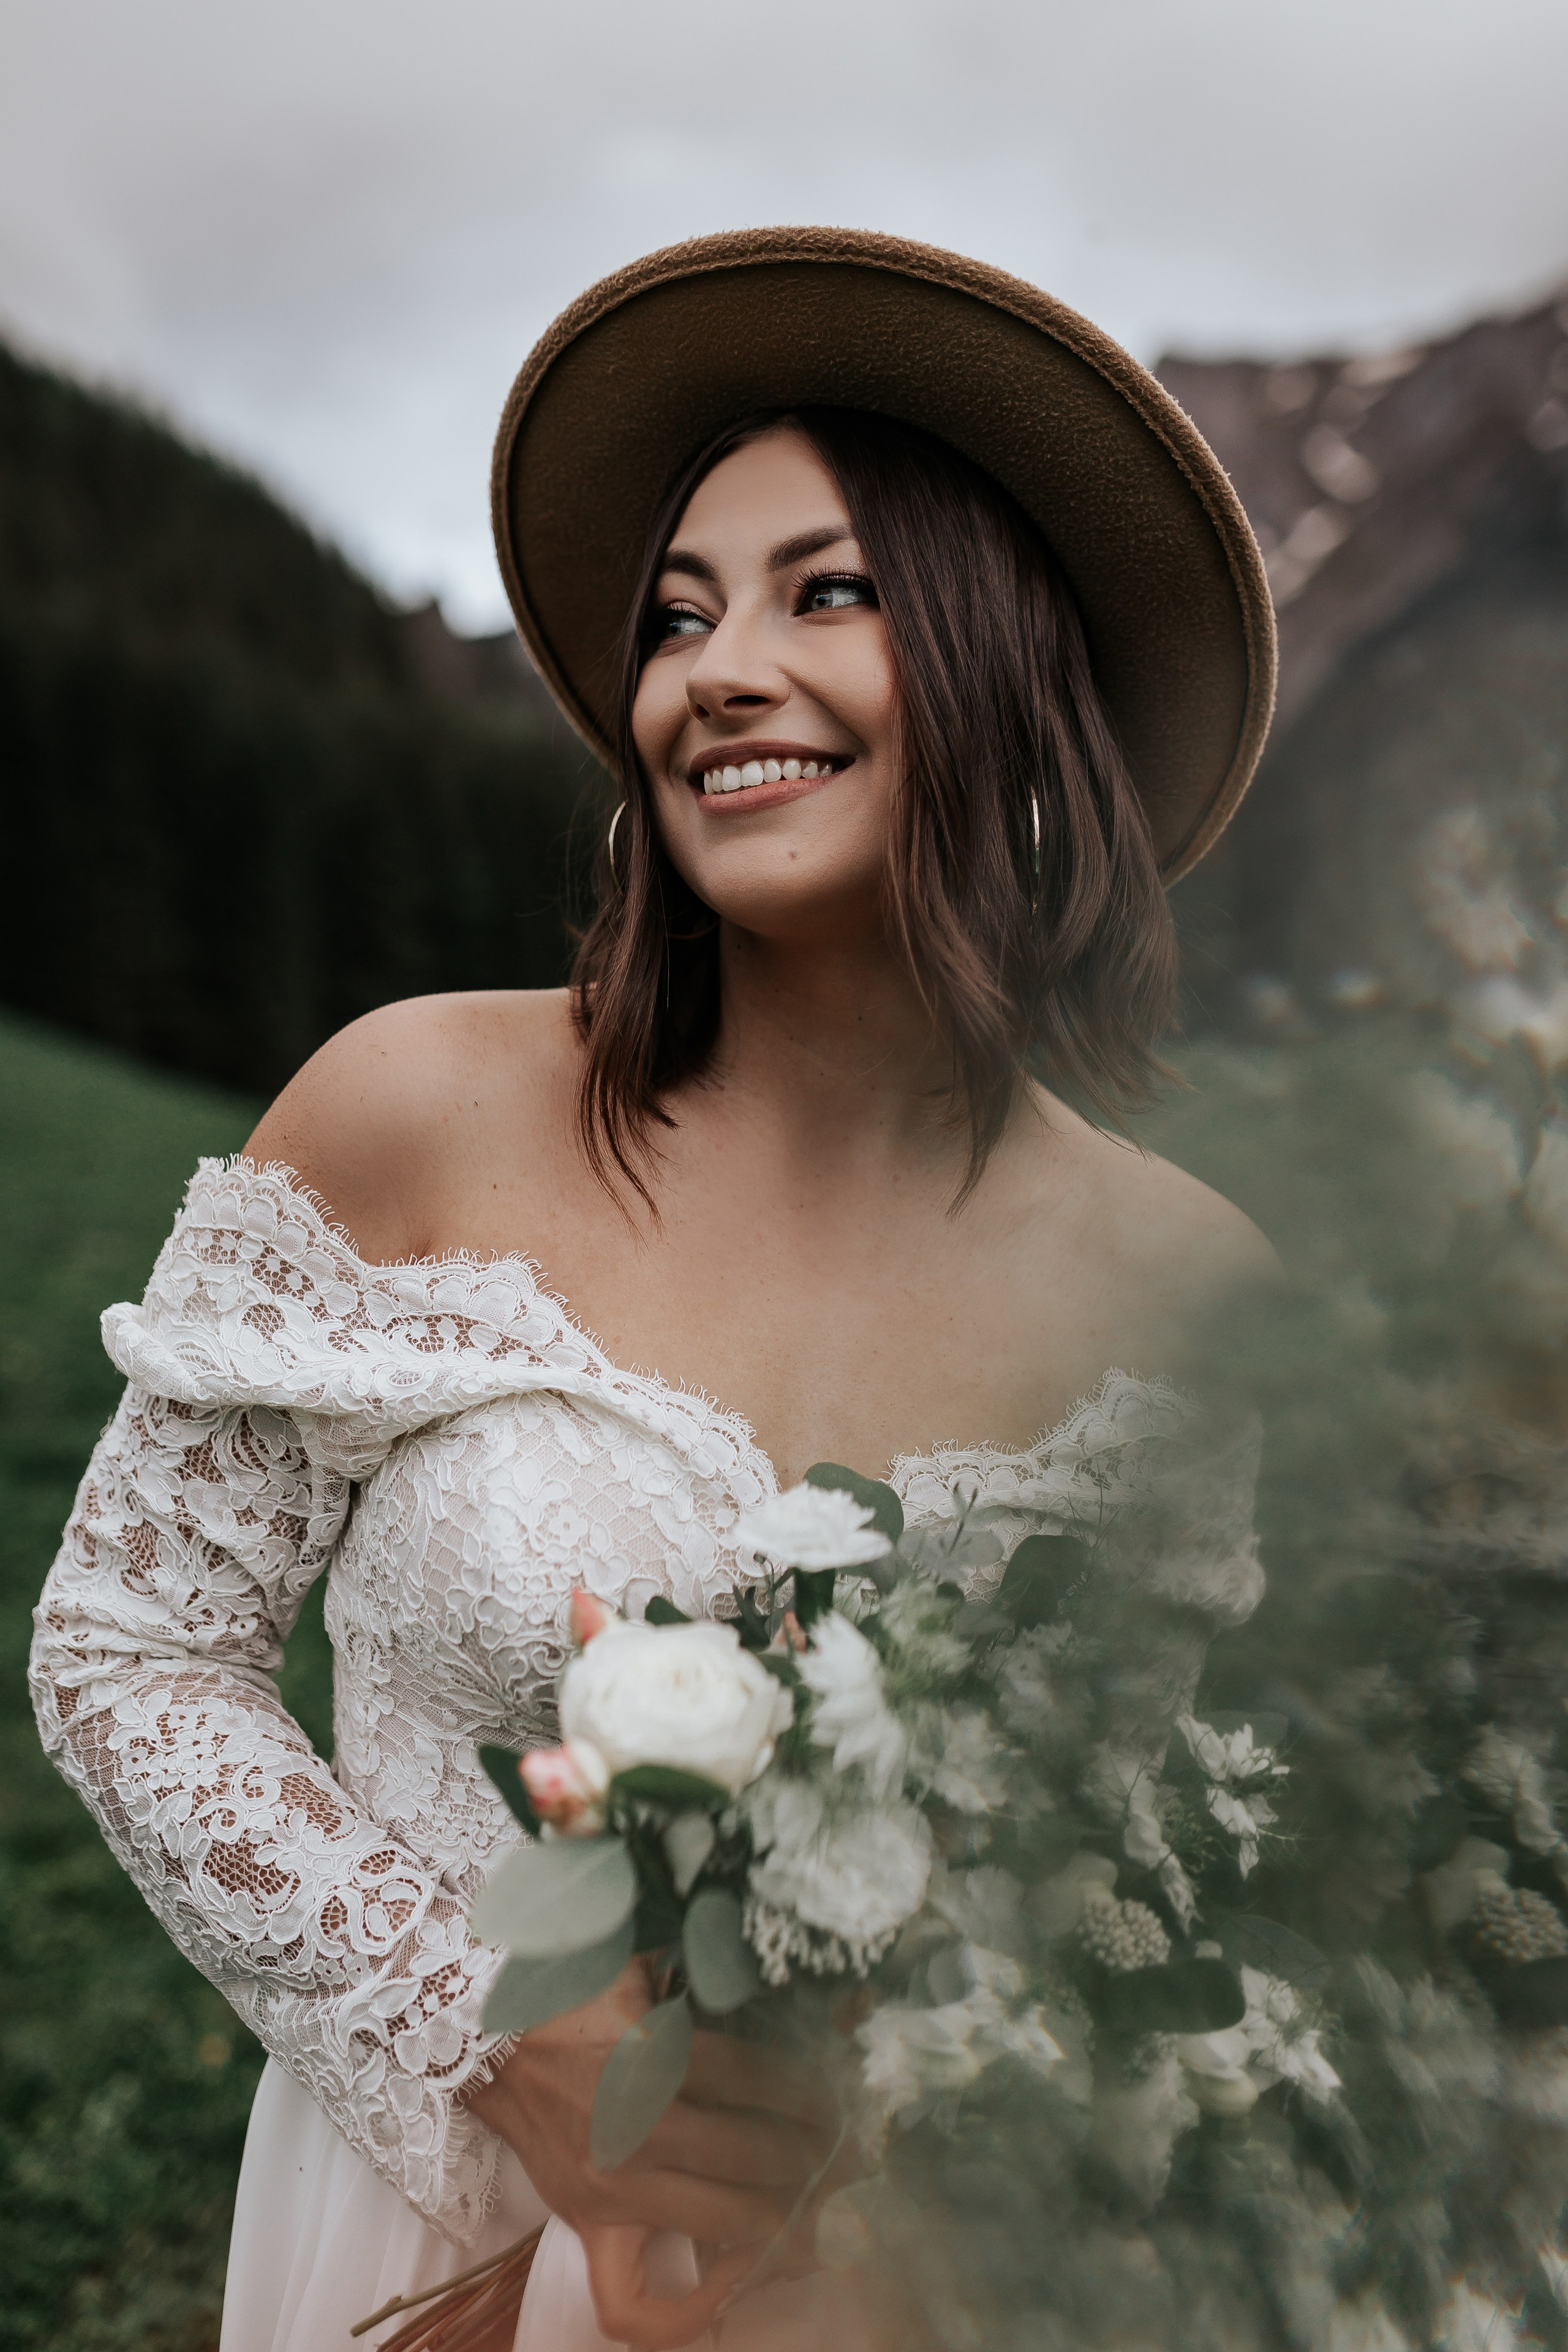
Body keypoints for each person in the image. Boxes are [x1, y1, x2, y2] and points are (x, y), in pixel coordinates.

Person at [31, 228, 1278, 2352]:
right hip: (418, 2246)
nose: (718, 671)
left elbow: (1178, 1882)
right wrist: (475, 2028)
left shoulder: (1196, 1297)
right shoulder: (413, 1108)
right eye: (681, 616)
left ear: (1012, 672)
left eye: (828, 593)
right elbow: (133, 1649)